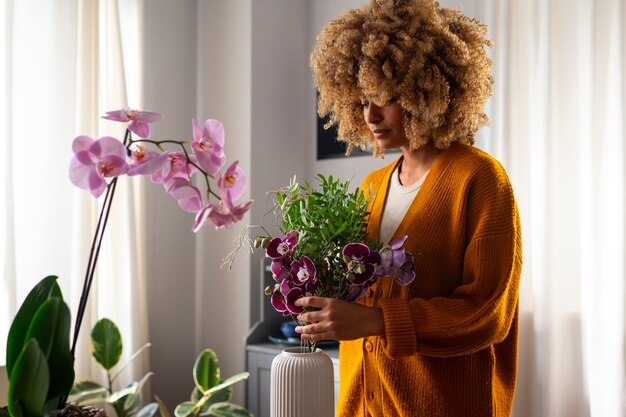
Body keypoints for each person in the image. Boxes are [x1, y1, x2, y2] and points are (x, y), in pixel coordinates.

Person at [293, 0, 522, 416]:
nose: (371, 115)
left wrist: (377, 321)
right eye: (361, 101)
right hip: (363, 402)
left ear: (428, 89)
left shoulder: (480, 179)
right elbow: (358, 296)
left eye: (386, 97)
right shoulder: (369, 188)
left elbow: (487, 313)